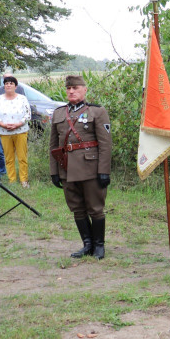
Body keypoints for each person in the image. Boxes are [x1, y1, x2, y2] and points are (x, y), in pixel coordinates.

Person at [49, 75, 112, 260]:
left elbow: (105, 144)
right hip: (67, 168)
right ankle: (87, 244)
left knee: (95, 208)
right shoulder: (59, 113)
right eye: (68, 88)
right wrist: (54, 171)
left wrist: (103, 170)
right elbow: (53, 146)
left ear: (84, 90)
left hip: (90, 167)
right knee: (77, 208)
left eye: (75, 88)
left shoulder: (97, 112)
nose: (71, 91)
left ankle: (99, 246)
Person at [0, 75, 32, 188]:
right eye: (6, 83)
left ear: (15, 86)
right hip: (4, 132)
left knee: (22, 157)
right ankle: (12, 180)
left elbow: (28, 114)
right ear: (4, 86)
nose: (8, 85)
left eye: (11, 83)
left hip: (20, 131)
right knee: (9, 158)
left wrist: (18, 124)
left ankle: (24, 180)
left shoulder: (22, 98)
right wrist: (2, 124)